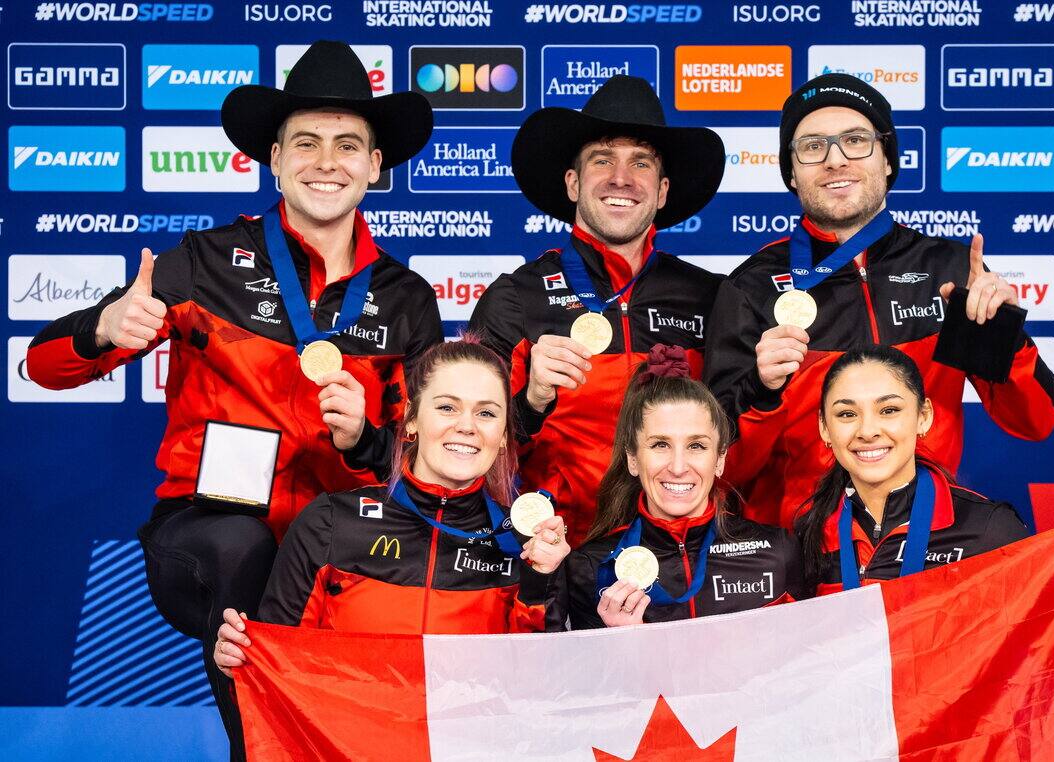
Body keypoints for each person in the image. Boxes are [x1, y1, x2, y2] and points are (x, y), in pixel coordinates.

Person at [25, 40, 442, 751]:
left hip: (340, 535)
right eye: (304, 143)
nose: (325, 161)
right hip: (210, 534)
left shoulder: (407, 300)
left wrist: (366, 441)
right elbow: (42, 366)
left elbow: (426, 458)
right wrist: (104, 327)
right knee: (241, 545)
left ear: (375, 166)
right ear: (274, 159)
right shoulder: (207, 261)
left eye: (348, 145)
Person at [704, 73, 1054, 527]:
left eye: (855, 140)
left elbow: (1036, 422)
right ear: (792, 172)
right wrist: (761, 390)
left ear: (887, 160)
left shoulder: (949, 271)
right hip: (800, 556)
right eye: (813, 147)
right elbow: (720, 469)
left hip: (924, 539)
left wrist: (1000, 335)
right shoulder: (751, 287)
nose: (835, 160)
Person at [467, 75, 726, 544]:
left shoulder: (711, 297)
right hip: (554, 551)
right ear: (572, 182)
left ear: (663, 190)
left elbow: (740, 440)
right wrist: (532, 401)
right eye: (602, 159)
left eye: (640, 163)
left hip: (681, 554)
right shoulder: (516, 297)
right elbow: (467, 449)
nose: (621, 178)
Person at [214, 338, 568, 674]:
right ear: (412, 419)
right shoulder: (331, 523)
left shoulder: (527, 548)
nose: (466, 426)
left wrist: (540, 581)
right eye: (447, 407)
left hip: (463, 738)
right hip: (350, 736)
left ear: (505, 434)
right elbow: (282, 665)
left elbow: (537, 689)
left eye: (487, 413)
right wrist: (245, 664)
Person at [793, 345, 1054, 596]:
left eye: (889, 410)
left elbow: (1046, 648)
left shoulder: (987, 530)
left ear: (923, 416)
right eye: (847, 414)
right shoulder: (805, 535)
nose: (868, 430)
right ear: (825, 428)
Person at [550, 345, 803, 630]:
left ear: (720, 459)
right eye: (660, 445)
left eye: (696, 446)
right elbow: (573, 673)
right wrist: (622, 647)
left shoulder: (777, 552)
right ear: (633, 458)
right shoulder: (590, 567)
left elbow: (804, 668)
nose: (679, 466)